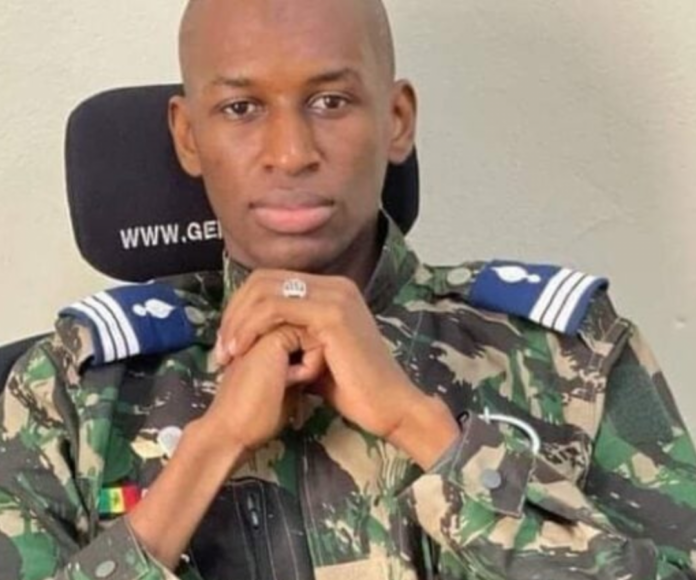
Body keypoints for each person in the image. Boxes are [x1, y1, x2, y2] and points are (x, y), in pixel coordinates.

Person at [1, 0, 695, 578]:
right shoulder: (73, 389)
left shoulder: (569, 357)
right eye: (241, 108)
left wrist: (422, 428)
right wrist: (210, 449)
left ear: (397, 120)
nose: (291, 153)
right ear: (188, 136)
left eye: (330, 101)